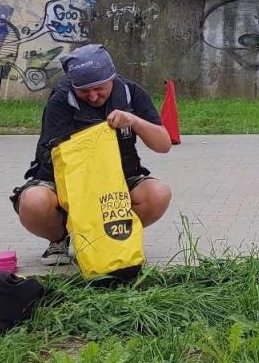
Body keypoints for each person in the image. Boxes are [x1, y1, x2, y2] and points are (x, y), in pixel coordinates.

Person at [11, 44, 173, 264]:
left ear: (112, 78)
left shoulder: (131, 92)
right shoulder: (61, 99)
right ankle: (59, 239)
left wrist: (133, 120)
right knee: (33, 202)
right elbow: (52, 153)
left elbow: (163, 145)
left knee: (158, 193)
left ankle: (108, 239)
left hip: (119, 177)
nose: (94, 96)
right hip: (68, 180)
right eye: (84, 91)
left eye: (99, 88)